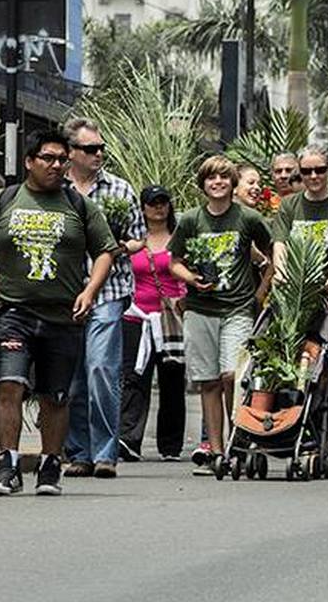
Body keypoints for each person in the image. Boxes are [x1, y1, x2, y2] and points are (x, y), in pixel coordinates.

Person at [0, 129, 118, 496]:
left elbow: (106, 250)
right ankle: (8, 462)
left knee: (56, 395)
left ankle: (50, 463)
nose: (56, 165)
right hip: (14, 311)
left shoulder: (79, 205)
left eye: (61, 159)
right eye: (47, 158)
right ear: (29, 161)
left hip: (64, 317)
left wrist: (90, 290)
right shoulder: (6, 200)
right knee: (8, 384)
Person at [169, 156, 273, 472]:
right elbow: (173, 261)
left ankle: (236, 438)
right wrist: (191, 279)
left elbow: (273, 251)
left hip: (238, 307)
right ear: (203, 185)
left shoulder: (248, 218)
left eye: (224, 178)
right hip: (200, 310)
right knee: (209, 381)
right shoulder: (190, 220)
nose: (218, 183)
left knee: (233, 376)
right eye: (211, 178)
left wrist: (260, 292)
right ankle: (216, 451)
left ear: (232, 183)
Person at [63, 118, 145, 479]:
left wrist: (114, 247)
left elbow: (140, 237)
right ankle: (79, 451)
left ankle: (105, 452)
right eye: (90, 149)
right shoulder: (57, 189)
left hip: (109, 290)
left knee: (101, 369)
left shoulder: (119, 189)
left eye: (101, 148)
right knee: (74, 376)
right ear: (71, 153)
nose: (98, 155)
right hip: (63, 292)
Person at [273, 147, 328, 472]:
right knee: (295, 368)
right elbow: (280, 246)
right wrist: (282, 277)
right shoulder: (290, 206)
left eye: (319, 170)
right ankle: (292, 432)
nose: (312, 177)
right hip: (295, 302)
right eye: (305, 172)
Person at [118, 186, 187, 462]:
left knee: (172, 378)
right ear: (143, 207)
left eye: (163, 202)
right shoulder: (135, 240)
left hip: (171, 317)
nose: (158, 208)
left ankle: (170, 445)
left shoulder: (179, 238)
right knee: (134, 378)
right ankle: (128, 439)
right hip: (137, 316)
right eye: (152, 203)